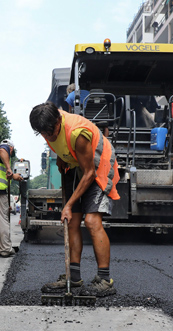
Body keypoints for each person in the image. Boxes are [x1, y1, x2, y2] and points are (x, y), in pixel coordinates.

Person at [29, 102, 121, 296]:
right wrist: (62, 156)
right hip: (75, 164)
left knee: (91, 221)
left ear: (58, 121)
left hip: (97, 166)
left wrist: (69, 205)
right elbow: (58, 141)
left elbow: (89, 173)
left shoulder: (78, 134)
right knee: (72, 222)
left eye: (51, 132)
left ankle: (105, 280)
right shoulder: (48, 125)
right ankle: (74, 277)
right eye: (43, 134)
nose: (49, 137)